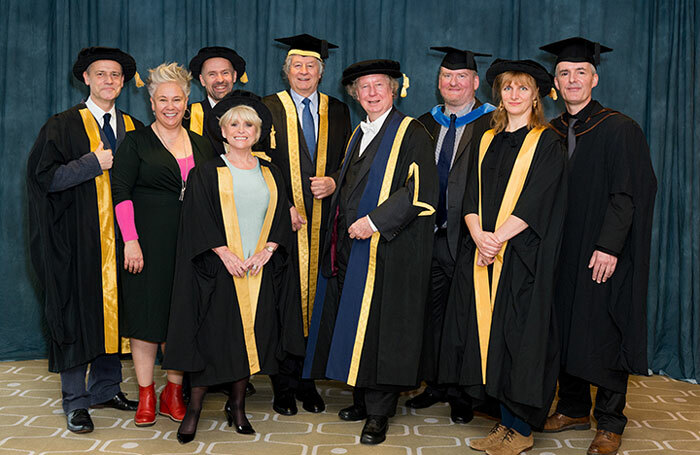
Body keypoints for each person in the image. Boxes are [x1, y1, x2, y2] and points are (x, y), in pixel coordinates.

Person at [303, 59, 438, 445]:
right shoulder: (358, 133)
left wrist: (374, 222)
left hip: (387, 248)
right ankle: (362, 398)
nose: (372, 93)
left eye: (379, 85)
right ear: (355, 94)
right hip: (350, 245)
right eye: (364, 88)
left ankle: (379, 413)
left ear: (394, 89)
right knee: (354, 319)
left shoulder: (411, 131)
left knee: (381, 326)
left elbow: (420, 191)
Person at [439, 59, 567, 455]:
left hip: (524, 256)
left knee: (519, 339)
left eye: (523, 89)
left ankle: (522, 427)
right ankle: (503, 422)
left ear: (536, 97)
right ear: (498, 94)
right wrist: (479, 234)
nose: (513, 95)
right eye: (507, 88)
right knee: (489, 337)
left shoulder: (548, 142)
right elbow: (469, 194)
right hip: (485, 250)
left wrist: (497, 239)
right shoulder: (486, 138)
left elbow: (538, 200)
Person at [540, 37, 657, 455]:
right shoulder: (550, 131)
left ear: (595, 78)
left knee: (604, 328)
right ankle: (572, 407)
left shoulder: (619, 128)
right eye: (565, 73)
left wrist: (609, 246)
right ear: (555, 82)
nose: (572, 80)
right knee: (565, 326)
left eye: (580, 73)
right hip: (559, 250)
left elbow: (629, 194)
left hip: (601, 251)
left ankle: (610, 421)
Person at [162, 90, 300, 443]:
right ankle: (193, 411)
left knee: (246, 340)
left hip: (258, 271)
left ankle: (237, 408)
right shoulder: (207, 172)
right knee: (212, 342)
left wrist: (269, 251)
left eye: (248, 125)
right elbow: (197, 219)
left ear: (257, 133)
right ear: (222, 131)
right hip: (219, 271)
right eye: (234, 124)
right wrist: (225, 254)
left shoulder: (271, 171)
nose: (242, 130)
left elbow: (281, 216)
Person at [27, 46, 143, 433]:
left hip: (124, 242)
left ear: (123, 82)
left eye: (115, 75)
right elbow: (44, 179)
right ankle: (76, 401)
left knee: (115, 314)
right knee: (75, 315)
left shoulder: (134, 126)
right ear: (86, 79)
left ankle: (106, 389)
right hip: (76, 242)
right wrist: (92, 163)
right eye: (100, 74)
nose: (108, 81)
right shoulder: (61, 125)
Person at [111, 62, 216, 426]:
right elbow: (121, 193)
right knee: (146, 321)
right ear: (151, 103)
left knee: (181, 322)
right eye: (162, 100)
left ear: (187, 102)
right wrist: (131, 241)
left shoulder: (203, 145)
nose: (170, 106)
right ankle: (145, 394)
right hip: (147, 246)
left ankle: (173, 392)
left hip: (190, 248)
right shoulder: (136, 142)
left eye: (177, 99)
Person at [260, 33, 351, 416]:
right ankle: (283, 383)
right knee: (283, 300)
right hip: (283, 224)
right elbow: (258, 162)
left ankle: (309, 380)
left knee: (317, 301)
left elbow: (351, 161)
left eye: (311, 65)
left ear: (321, 72)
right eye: (296, 65)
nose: (303, 71)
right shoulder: (267, 107)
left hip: (325, 222)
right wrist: (283, 206)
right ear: (287, 71)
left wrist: (333, 179)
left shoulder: (340, 110)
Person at [409, 46, 494, 424]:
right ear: (438, 82)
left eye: (461, 77)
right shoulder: (425, 123)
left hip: (470, 235)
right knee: (431, 311)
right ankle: (436, 384)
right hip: (430, 233)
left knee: (464, 314)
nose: (453, 82)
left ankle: (463, 391)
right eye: (446, 77)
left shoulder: (494, 122)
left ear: (475, 82)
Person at [184, 46, 248, 155]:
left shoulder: (251, 114)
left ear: (234, 76)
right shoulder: (187, 116)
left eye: (225, 73)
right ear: (202, 80)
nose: (220, 80)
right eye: (212, 74)